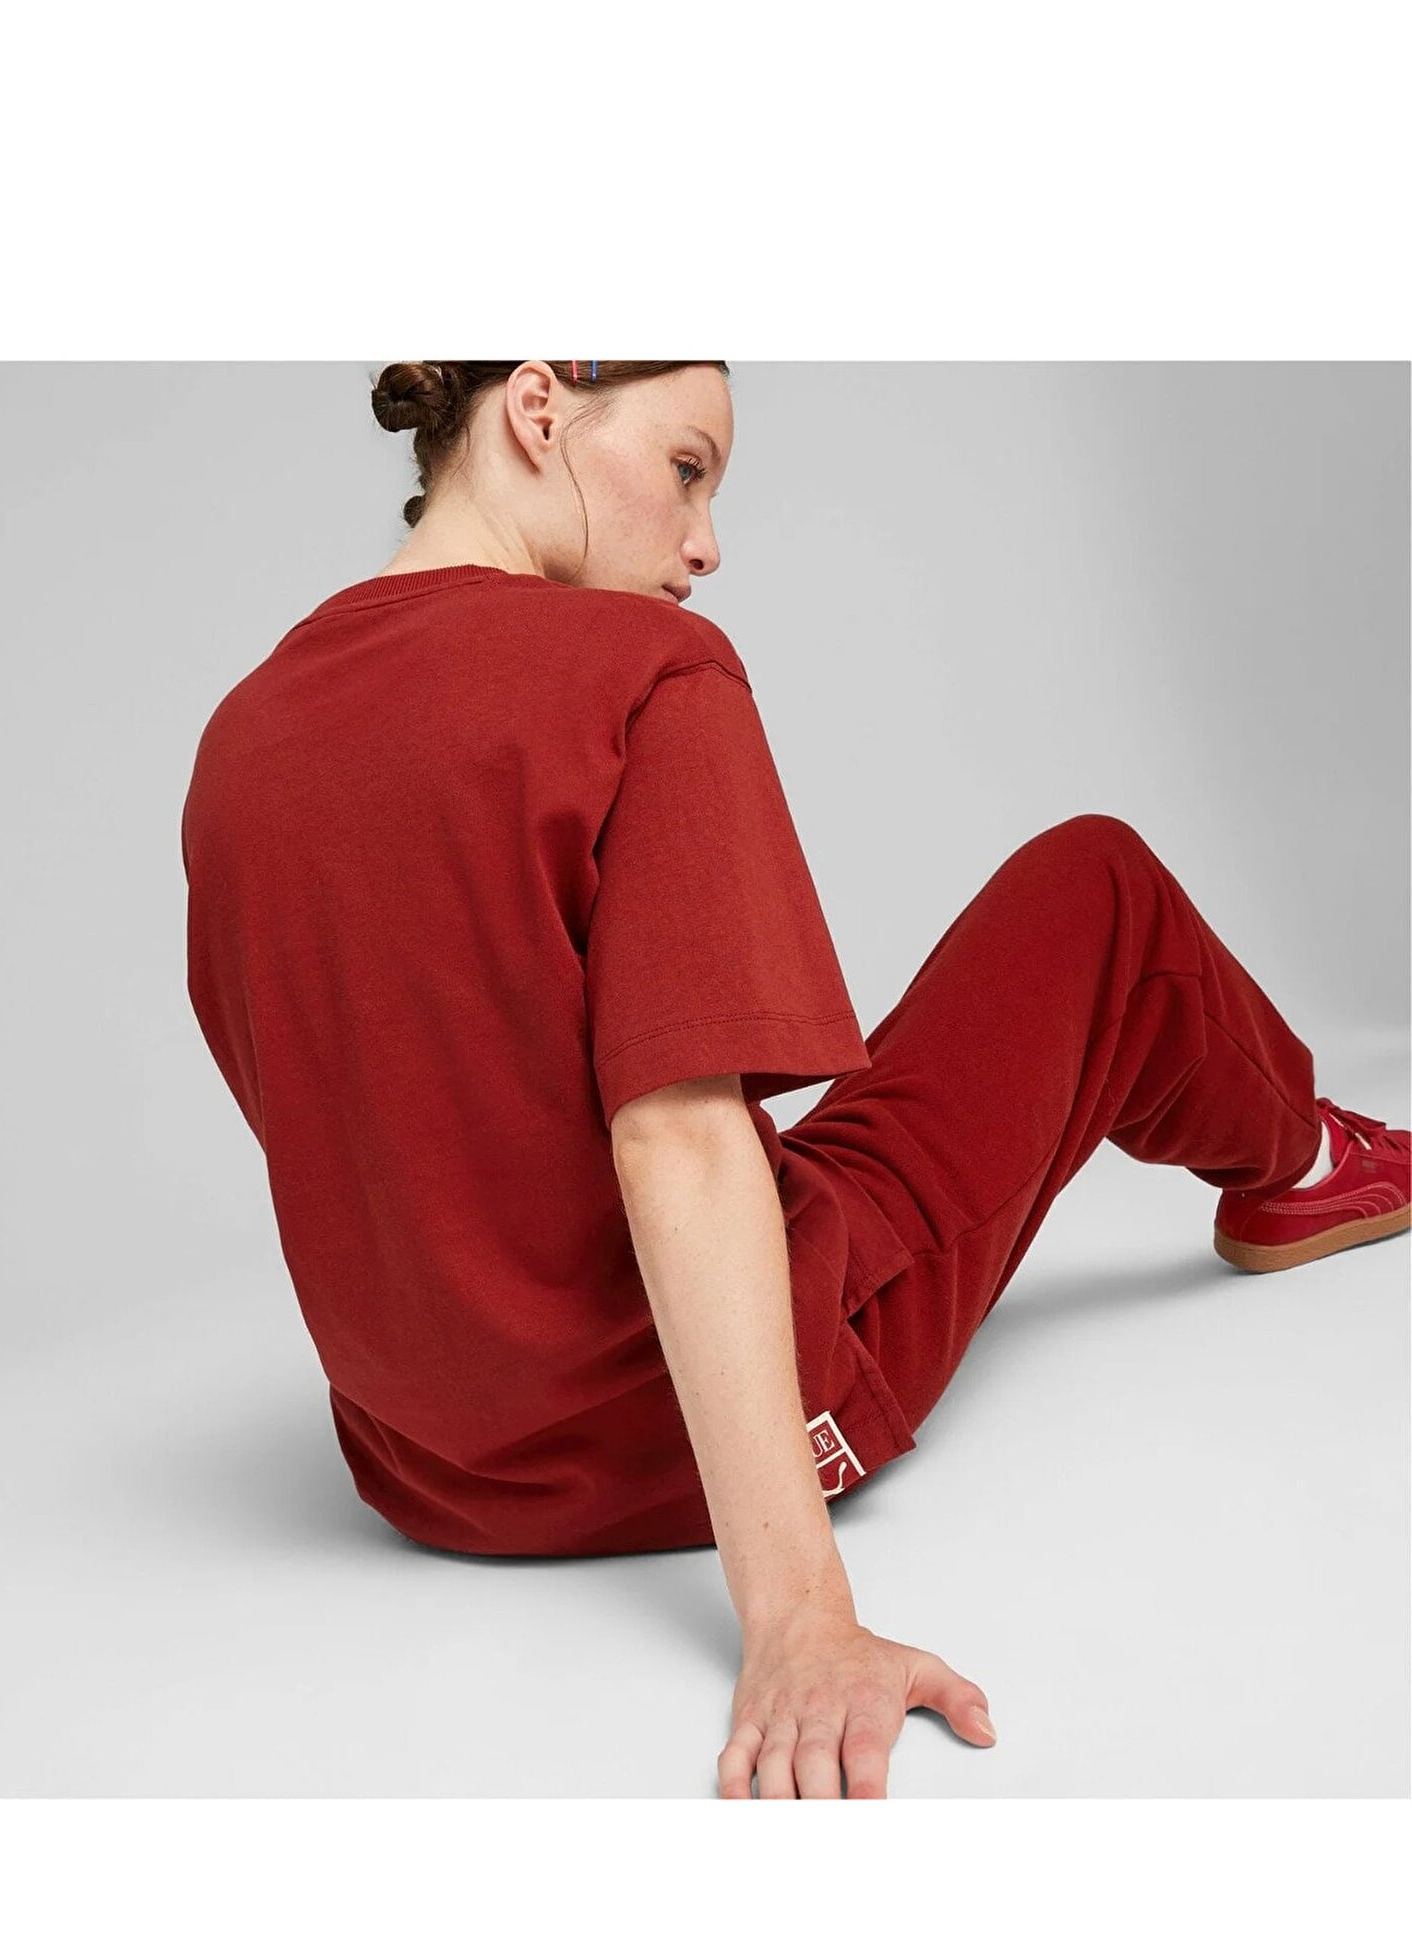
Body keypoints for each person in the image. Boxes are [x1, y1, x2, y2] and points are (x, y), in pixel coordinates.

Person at [180, 359, 1410, 1800]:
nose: (706, 544)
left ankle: (1286, 1141)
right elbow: (681, 1142)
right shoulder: (643, 672)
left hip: (429, 1478)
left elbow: (337, 1115)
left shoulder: (242, 737)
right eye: (687, 469)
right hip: (697, 1440)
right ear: (538, 406)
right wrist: (800, 1620)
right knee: (1098, 888)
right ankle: (1300, 1164)